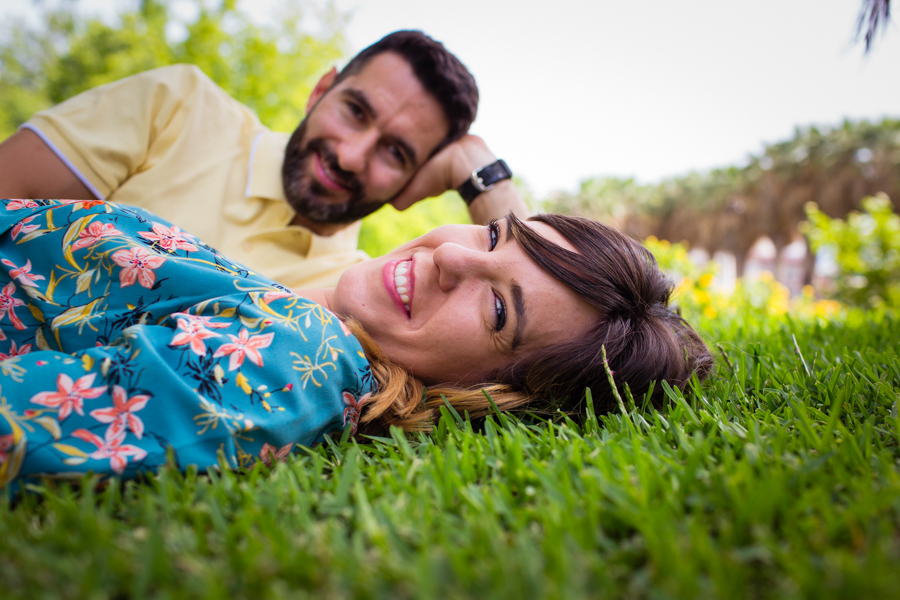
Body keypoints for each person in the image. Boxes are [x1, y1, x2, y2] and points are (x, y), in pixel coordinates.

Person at [0, 198, 712, 492]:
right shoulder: (302, 310)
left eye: (498, 307)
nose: (454, 258)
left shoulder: (297, 360)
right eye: (497, 236)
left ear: (500, 388)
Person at [0, 31, 528, 290]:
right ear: (322, 90)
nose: (349, 155)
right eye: (354, 110)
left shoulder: (356, 289)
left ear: (416, 181)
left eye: (396, 153)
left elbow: (537, 298)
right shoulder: (176, 106)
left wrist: (480, 171)